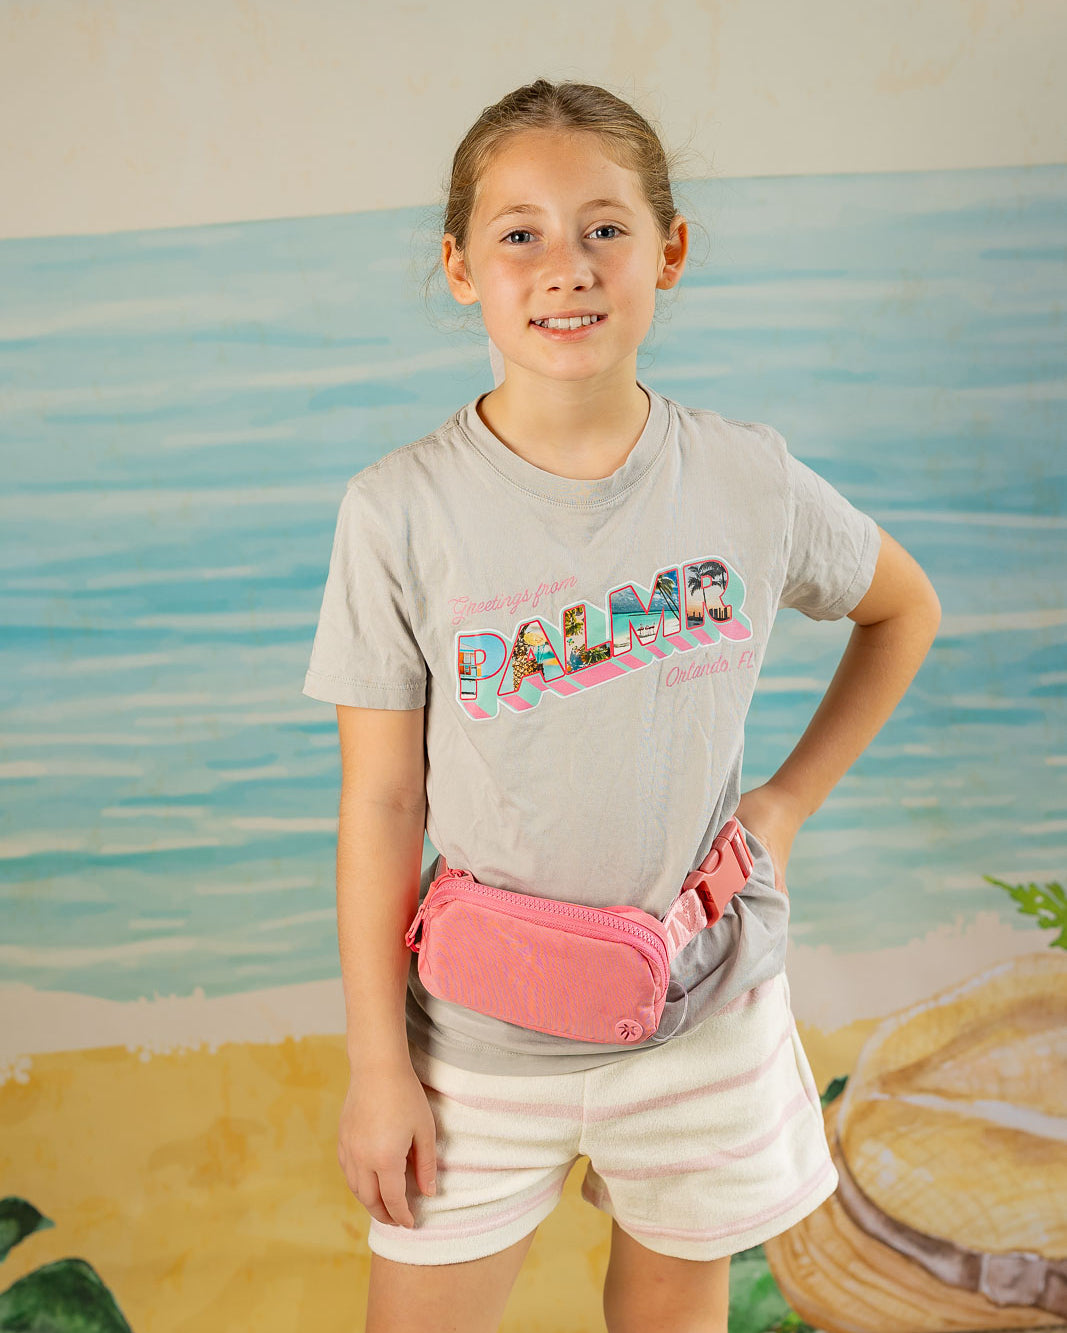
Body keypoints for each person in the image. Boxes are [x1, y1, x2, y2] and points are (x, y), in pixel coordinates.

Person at [301, 77, 941, 1333]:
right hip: (476, 1041)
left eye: (604, 228)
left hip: (702, 1020)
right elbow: (379, 803)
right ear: (459, 269)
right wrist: (382, 1067)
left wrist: (786, 804)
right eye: (518, 234)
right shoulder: (398, 513)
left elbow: (900, 608)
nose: (566, 267)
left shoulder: (745, 477)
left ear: (669, 252)